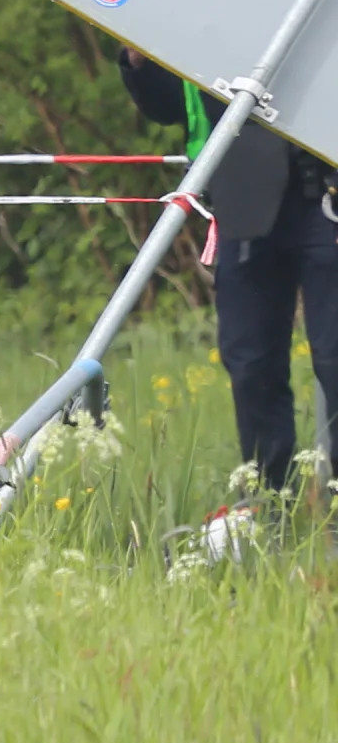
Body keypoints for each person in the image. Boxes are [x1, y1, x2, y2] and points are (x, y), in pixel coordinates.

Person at [121, 48, 335, 522]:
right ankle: (268, 504)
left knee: (336, 354)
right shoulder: (211, 6)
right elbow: (167, 107)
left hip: (326, 191)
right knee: (251, 360)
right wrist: (139, 61)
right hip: (242, 198)